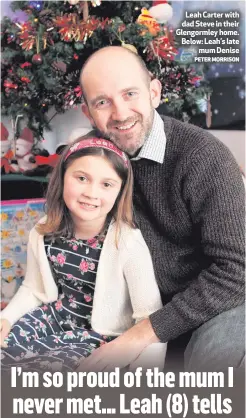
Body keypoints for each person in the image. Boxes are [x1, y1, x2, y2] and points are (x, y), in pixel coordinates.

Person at [78, 45, 245, 372]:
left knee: (215, 368)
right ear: (88, 112)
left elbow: (237, 271)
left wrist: (144, 334)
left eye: (130, 94)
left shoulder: (203, 158)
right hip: (145, 301)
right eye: (102, 102)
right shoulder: (90, 159)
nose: (120, 113)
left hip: (223, 298)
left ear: (154, 92)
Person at [0, 136, 166, 371]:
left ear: (120, 191)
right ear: (63, 177)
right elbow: (33, 289)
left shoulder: (128, 242)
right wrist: (7, 317)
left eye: (106, 184)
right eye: (81, 178)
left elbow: (150, 319)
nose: (91, 193)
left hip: (100, 336)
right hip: (54, 319)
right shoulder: (43, 230)